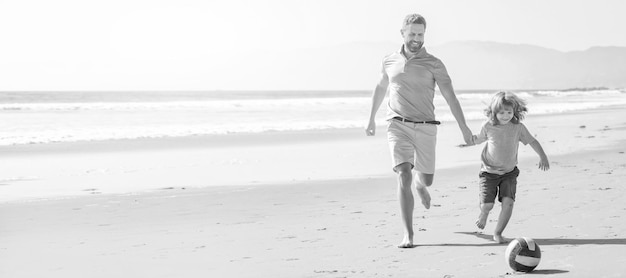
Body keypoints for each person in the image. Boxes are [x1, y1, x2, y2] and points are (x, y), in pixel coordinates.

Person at [366, 13, 473, 248]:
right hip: (397, 124)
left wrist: (464, 127)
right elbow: (380, 87)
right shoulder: (389, 60)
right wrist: (371, 118)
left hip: (426, 127)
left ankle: (420, 184)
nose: (416, 38)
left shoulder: (434, 63)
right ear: (402, 33)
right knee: (402, 173)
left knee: (426, 179)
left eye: (420, 34)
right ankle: (408, 234)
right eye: (412, 33)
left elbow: (450, 97)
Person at [461, 91, 550, 244]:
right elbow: (477, 139)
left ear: (514, 112)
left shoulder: (518, 127)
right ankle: (484, 213)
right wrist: (468, 140)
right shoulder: (488, 126)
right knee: (487, 204)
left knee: (508, 203)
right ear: (494, 112)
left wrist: (543, 156)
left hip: (509, 173)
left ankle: (498, 232)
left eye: (509, 112)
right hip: (488, 173)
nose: (505, 115)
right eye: (501, 112)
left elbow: (532, 141)